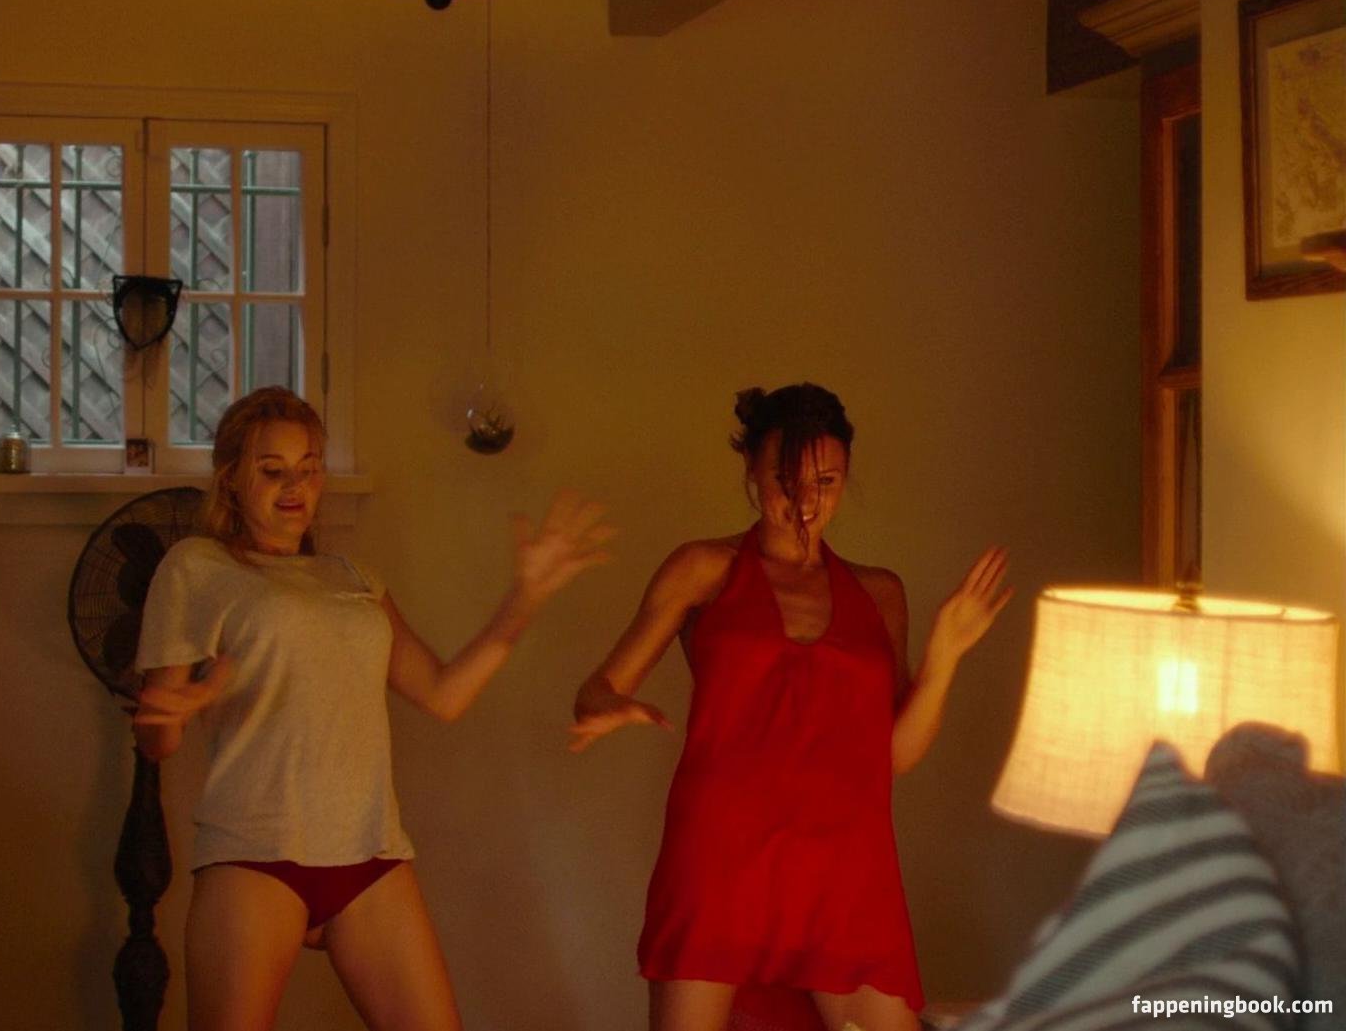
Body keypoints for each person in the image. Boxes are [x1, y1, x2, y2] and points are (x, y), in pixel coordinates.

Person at [132, 386, 614, 1031]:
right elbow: (157, 741)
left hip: (370, 853)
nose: (295, 486)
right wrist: (163, 717)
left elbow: (444, 694)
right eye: (272, 471)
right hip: (255, 853)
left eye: (309, 468)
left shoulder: (353, 577)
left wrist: (523, 600)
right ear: (232, 481)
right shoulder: (197, 566)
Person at [568, 383, 1011, 1031]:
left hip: (846, 865)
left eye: (826, 482)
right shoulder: (703, 568)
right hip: (721, 858)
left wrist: (944, 659)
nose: (804, 502)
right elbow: (596, 688)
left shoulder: (879, 592)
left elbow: (892, 757)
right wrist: (609, 704)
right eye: (786, 480)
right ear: (751, 470)